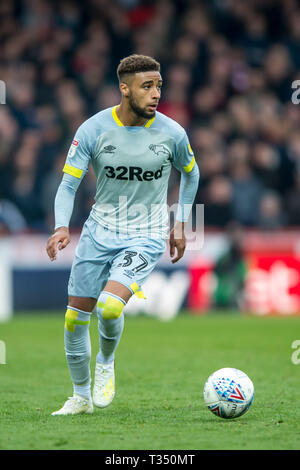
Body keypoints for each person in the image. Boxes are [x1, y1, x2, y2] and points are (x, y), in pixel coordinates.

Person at [46, 54, 199, 416]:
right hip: (99, 232)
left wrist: (179, 224)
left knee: (110, 307)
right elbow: (69, 185)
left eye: (159, 85)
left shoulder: (173, 133)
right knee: (73, 319)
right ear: (124, 88)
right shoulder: (93, 130)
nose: (155, 93)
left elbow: (191, 174)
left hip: (145, 233)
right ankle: (80, 398)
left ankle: (106, 362)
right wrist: (60, 226)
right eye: (147, 86)